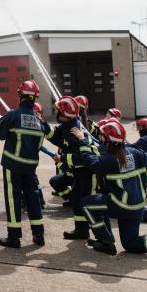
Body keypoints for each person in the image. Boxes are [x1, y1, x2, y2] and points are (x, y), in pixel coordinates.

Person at [72, 119, 147, 258]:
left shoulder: (109, 161)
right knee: (130, 243)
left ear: (106, 141)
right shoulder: (137, 153)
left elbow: (88, 160)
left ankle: (106, 241)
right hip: (137, 207)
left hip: (121, 205)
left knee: (86, 204)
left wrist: (82, 140)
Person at [0, 80, 49, 248]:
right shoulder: (39, 121)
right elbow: (39, 145)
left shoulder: (13, 114)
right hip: (31, 167)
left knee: (13, 199)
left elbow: (0, 134)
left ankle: (13, 237)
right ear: (35, 99)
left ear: (20, 95)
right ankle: (39, 235)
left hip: (13, 165)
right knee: (33, 198)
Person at [47, 96, 99, 239]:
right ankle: (81, 230)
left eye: (58, 110)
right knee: (77, 200)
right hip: (80, 171)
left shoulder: (73, 130)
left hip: (89, 171)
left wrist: (62, 159)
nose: (55, 112)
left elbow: (81, 157)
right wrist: (42, 125)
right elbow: (53, 134)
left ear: (64, 114)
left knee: (88, 203)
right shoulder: (68, 125)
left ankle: (103, 236)